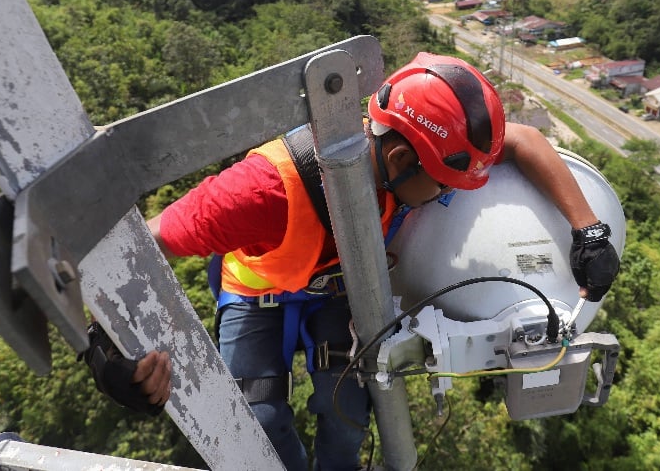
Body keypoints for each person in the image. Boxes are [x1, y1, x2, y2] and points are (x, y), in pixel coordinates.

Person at [96, 52, 619, 470]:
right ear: (398, 159)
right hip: (259, 296)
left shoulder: (409, 150)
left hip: (340, 288)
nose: (445, 196)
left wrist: (588, 230)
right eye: (442, 183)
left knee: (345, 416)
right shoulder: (261, 193)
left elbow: (524, 140)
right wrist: (107, 351)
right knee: (257, 419)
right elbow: (132, 245)